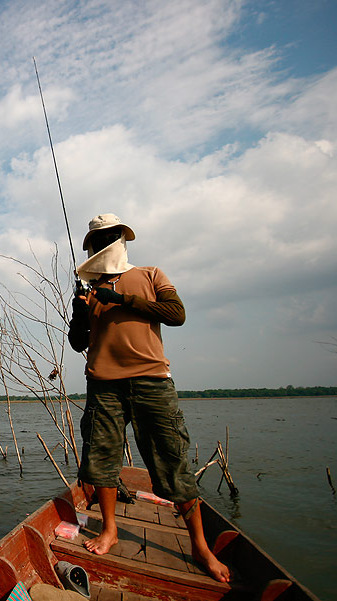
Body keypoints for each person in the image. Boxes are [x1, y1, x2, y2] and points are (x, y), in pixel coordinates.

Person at [67, 213, 231, 583]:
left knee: (173, 460)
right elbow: (79, 342)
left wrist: (120, 299)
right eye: (98, 239)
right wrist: (79, 311)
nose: (104, 242)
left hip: (152, 381)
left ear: (121, 238)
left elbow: (177, 314)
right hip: (103, 385)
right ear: (92, 246)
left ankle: (200, 547)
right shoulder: (88, 289)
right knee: (101, 459)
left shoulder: (153, 275)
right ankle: (109, 529)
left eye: (110, 236)